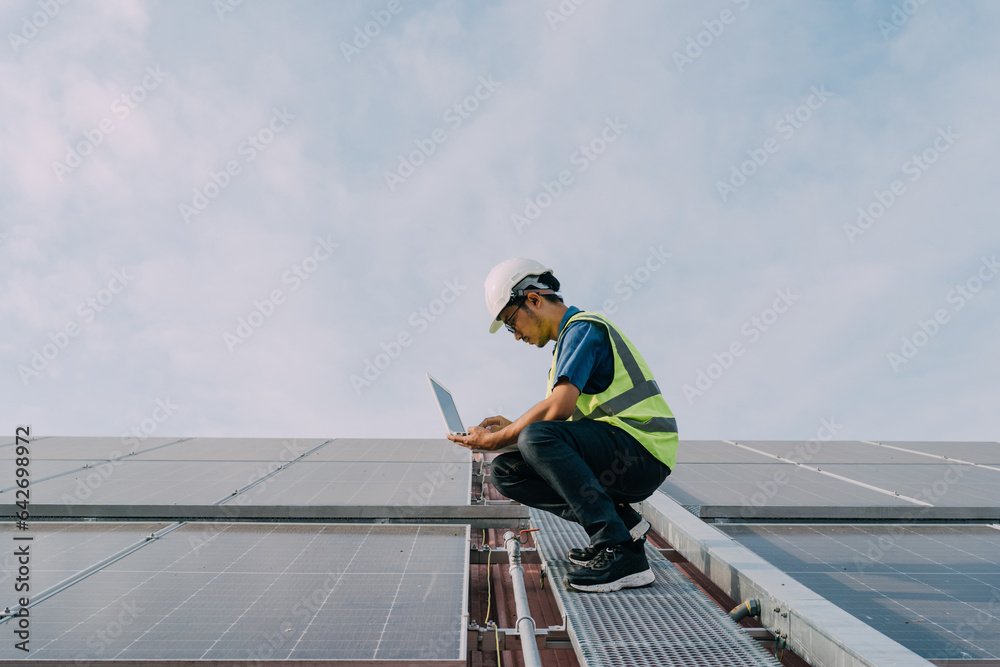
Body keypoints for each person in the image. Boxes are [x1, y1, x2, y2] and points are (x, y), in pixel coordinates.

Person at [448, 258, 678, 593]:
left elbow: (557, 411)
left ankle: (615, 550)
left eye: (512, 323)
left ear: (534, 300)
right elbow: (562, 434)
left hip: (642, 451)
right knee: (506, 471)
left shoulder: (584, 329)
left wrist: (497, 438)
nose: (516, 336)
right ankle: (624, 525)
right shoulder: (564, 351)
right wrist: (510, 431)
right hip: (619, 454)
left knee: (535, 437)